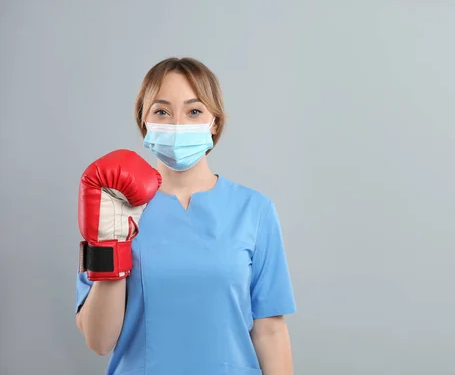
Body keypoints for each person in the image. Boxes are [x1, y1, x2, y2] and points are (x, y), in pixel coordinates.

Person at [75, 57, 297, 375]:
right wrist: (113, 240)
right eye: (162, 111)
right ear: (144, 120)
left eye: (194, 111)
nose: (178, 124)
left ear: (215, 122)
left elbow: (271, 332)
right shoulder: (113, 207)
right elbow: (99, 341)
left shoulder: (255, 210)